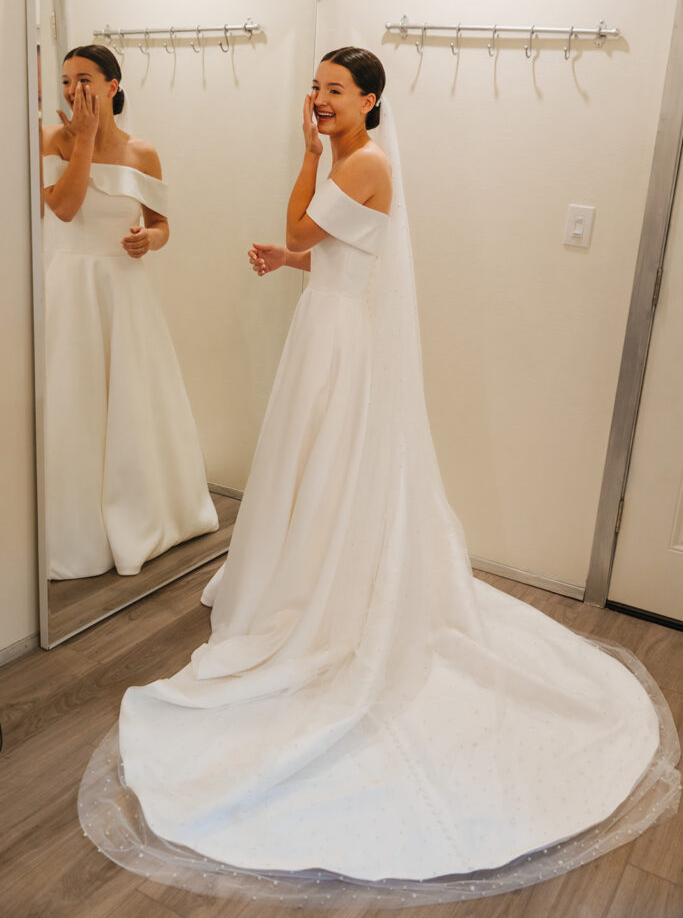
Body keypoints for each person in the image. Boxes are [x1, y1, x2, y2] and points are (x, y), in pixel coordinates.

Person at [79, 48, 680, 905]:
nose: (317, 100)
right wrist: (290, 264)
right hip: (329, 327)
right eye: (313, 88)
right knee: (317, 461)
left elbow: (302, 228)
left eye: (333, 90)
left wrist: (301, 163)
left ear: (369, 100)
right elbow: (331, 252)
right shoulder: (359, 164)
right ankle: (311, 567)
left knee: (332, 459)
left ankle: (331, 586)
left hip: (342, 346)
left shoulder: (360, 160)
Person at [43, 45, 218, 579]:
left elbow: (162, 224)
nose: (74, 90)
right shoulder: (53, 141)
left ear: (113, 86)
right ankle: (74, 525)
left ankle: (147, 511)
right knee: (73, 402)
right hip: (71, 287)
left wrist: (151, 240)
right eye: (67, 80)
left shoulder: (144, 152)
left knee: (134, 401)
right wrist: (85, 142)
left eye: (86, 80)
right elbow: (66, 209)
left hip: (125, 290)